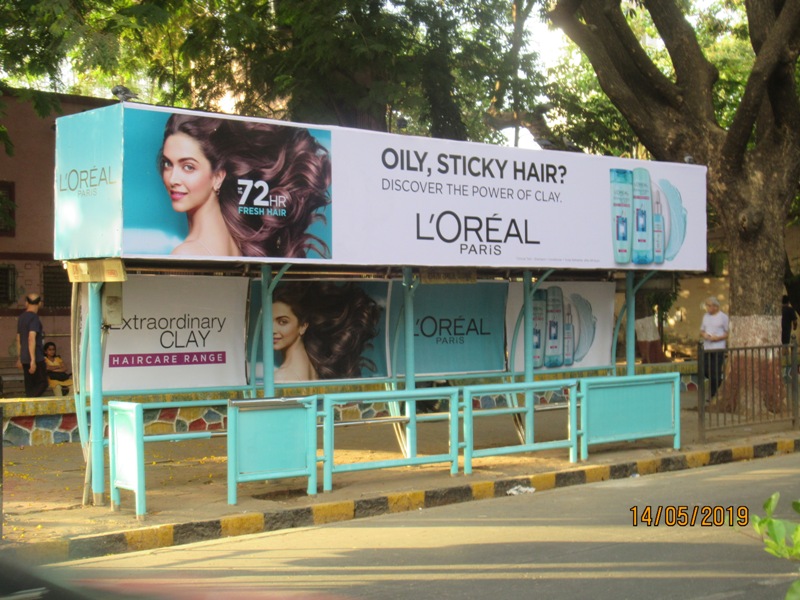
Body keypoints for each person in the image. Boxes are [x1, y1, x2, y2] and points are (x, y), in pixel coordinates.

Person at [159, 114, 331, 258]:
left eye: (188, 167)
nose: (173, 179)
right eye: (167, 164)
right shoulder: (237, 242)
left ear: (218, 177)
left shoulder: (187, 253)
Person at [272, 282, 381, 383]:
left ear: (303, 326)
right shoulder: (316, 368)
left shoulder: (281, 378)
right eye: (268, 322)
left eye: (283, 322)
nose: (272, 330)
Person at [15, 293, 49, 398]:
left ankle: (30, 405)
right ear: (39, 304)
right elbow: (31, 338)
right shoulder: (34, 318)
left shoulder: (22, 318)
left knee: (30, 386)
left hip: (24, 357)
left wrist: (20, 357)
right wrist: (33, 360)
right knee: (43, 383)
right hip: (36, 357)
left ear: (26, 303)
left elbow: (18, 339)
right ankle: (31, 400)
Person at [700, 296, 729, 399]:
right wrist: (705, 336)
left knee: (715, 371)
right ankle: (720, 384)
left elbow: (727, 333)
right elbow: (702, 331)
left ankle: (714, 395)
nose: (707, 307)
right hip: (707, 348)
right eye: (706, 305)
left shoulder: (723, 317)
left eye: (708, 305)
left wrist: (718, 338)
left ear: (715, 306)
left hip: (718, 348)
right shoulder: (705, 316)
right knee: (706, 371)